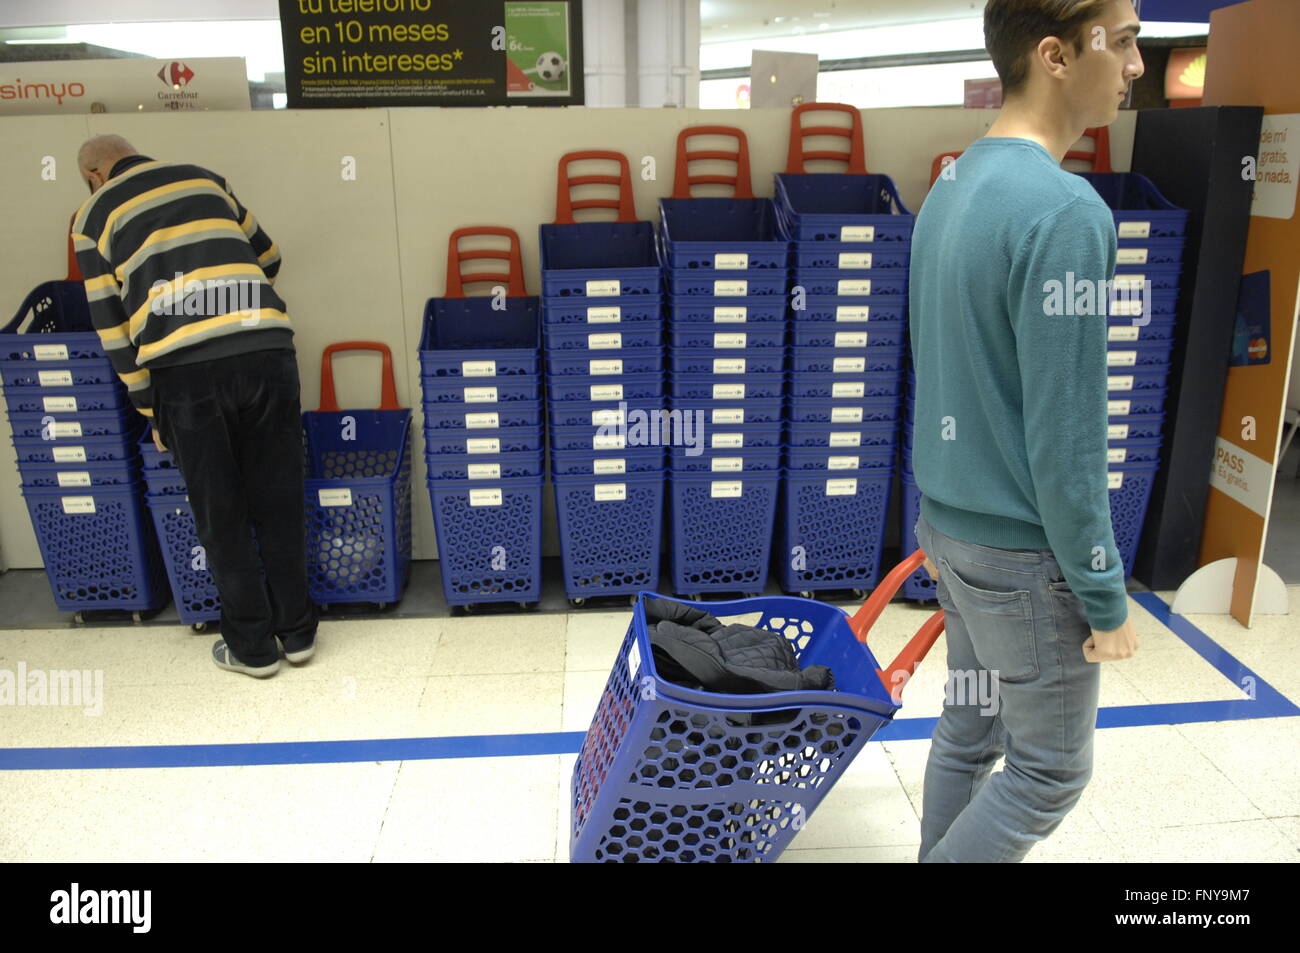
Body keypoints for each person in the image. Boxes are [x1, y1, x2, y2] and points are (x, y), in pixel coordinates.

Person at [908, 0, 1144, 862]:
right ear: (1054, 53)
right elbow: (1068, 433)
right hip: (1024, 561)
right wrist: (1103, 591)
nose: (1135, 66)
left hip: (952, 534)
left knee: (970, 733)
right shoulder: (1064, 213)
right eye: (1121, 43)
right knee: (1047, 771)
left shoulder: (953, 181)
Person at [72, 134, 317, 678]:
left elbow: (110, 322)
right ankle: (298, 635)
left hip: (185, 373)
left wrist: (147, 406)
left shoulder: (94, 213)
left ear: (93, 173)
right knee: (278, 499)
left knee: (220, 512)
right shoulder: (205, 176)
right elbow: (270, 257)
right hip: (266, 348)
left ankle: (253, 649)